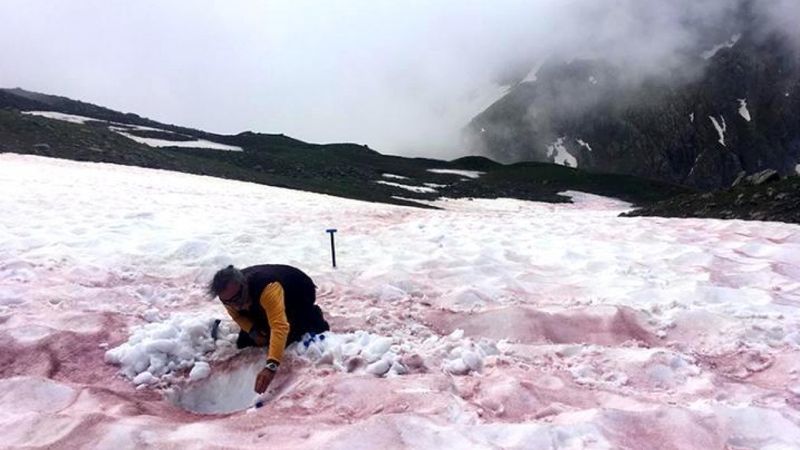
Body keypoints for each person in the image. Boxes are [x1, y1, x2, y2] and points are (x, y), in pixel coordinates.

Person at [208, 264, 330, 394]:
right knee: (245, 342)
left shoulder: (267, 288)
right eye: (227, 302)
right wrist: (253, 331)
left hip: (298, 292)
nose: (234, 305)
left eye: (236, 299)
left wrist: (271, 366)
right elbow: (237, 316)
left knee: (288, 339)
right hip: (258, 301)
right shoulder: (228, 295)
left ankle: (313, 316)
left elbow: (279, 327)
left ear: (244, 286)